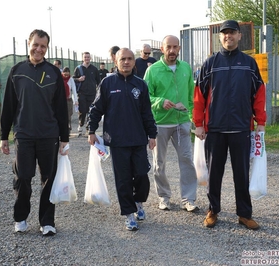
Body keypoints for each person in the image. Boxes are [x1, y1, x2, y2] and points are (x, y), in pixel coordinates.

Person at [193, 20, 266, 230]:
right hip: (215, 129)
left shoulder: (249, 63)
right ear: (220, 37)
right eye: (225, 33)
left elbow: (259, 95)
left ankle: (244, 214)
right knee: (214, 174)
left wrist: (260, 121)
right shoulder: (210, 64)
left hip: (241, 128)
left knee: (241, 174)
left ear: (239, 36)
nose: (228, 36)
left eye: (232, 33)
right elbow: (199, 96)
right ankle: (213, 210)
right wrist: (199, 123)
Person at [0, 29, 70, 236]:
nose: (39, 49)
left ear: (47, 48)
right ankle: (20, 218)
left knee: (48, 179)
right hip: (24, 134)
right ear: (28, 44)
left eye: (43, 46)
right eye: (36, 44)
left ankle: (47, 222)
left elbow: (60, 108)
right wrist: (4, 135)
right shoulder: (17, 70)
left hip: (49, 135)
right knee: (23, 177)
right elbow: (9, 106)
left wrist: (64, 138)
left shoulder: (53, 72)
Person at [87, 48, 157, 231]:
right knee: (123, 179)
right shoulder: (107, 83)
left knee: (142, 175)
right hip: (117, 141)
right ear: (116, 61)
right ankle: (129, 214)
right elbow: (96, 109)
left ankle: (138, 201)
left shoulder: (140, 84)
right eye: (122, 59)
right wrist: (91, 130)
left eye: (129, 59)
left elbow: (146, 112)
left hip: (138, 139)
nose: (126, 62)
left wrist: (152, 134)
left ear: (134, 62)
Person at [144, 35, 198, 212]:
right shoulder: (153, 70)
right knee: (159, 163)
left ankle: (188, 199)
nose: (172, 51)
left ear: (179, 48)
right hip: (160, 123)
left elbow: (191, 95)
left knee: (187, 161)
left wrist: (192, 118)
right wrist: (160, 101)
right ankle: (164, 197)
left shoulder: (186, 68)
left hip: (181, 122)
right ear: (162, 48)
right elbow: (145, 97)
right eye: (169, 47)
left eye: (175, 47)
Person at [72, 52, 101, 135]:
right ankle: (80, 124)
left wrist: (98, 92)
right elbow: (73, 79)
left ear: (90, 58)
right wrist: (79, 79)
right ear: (82, 58)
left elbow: (98, 82)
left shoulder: (94, 69)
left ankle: (89, 128)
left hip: (92, 93)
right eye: (85, 57)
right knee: (82, 110)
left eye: (88, 57)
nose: (87, 59)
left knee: (90, 111)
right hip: (82, 93)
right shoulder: (78, 68)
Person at [62, 67, 78, 134]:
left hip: (68, 100)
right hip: (61, 100)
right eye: (65, 74)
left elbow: (74, 90)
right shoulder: (59, 79)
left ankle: (68, 128)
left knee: (68, 115)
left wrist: (76, 100)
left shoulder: (71, 79)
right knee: (62, 115)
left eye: (67, 74)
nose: (66, 76)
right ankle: (63, 129)